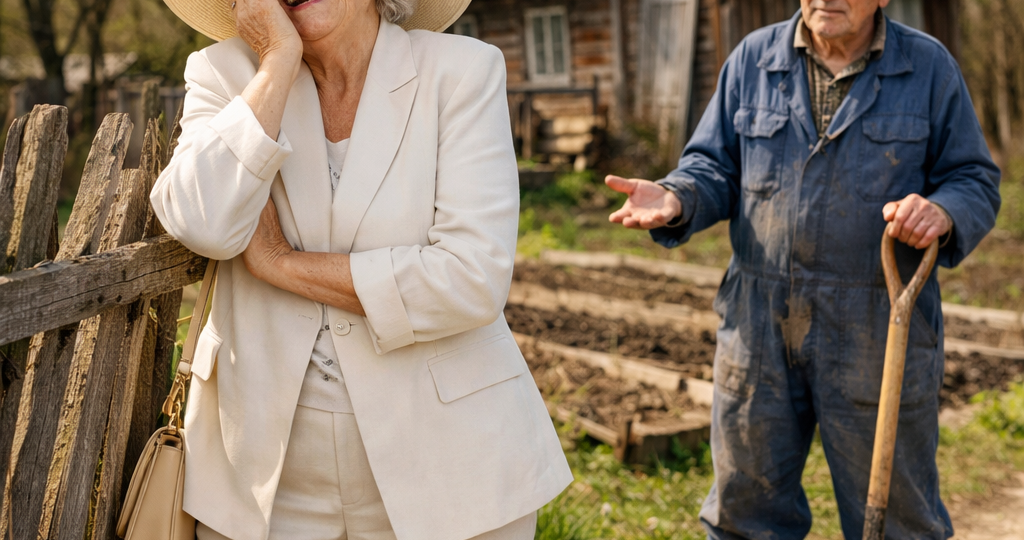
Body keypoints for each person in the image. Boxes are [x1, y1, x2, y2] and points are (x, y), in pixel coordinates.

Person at [150, 0, 573, 538]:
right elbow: (202, 222)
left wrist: (282, 263)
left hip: (450, 461)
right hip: (260, 473)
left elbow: (470, 280)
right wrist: (278, 60)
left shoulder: (464, 70)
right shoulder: (221, 72)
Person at [605, 1, 1000, 538]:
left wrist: (944, 211)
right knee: (746, 514)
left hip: (877, 324)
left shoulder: (927, 67)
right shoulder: (753, 60)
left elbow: (972, 178)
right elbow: (713, 166)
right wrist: (678, 195)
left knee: (894, 520)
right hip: (758, 322)